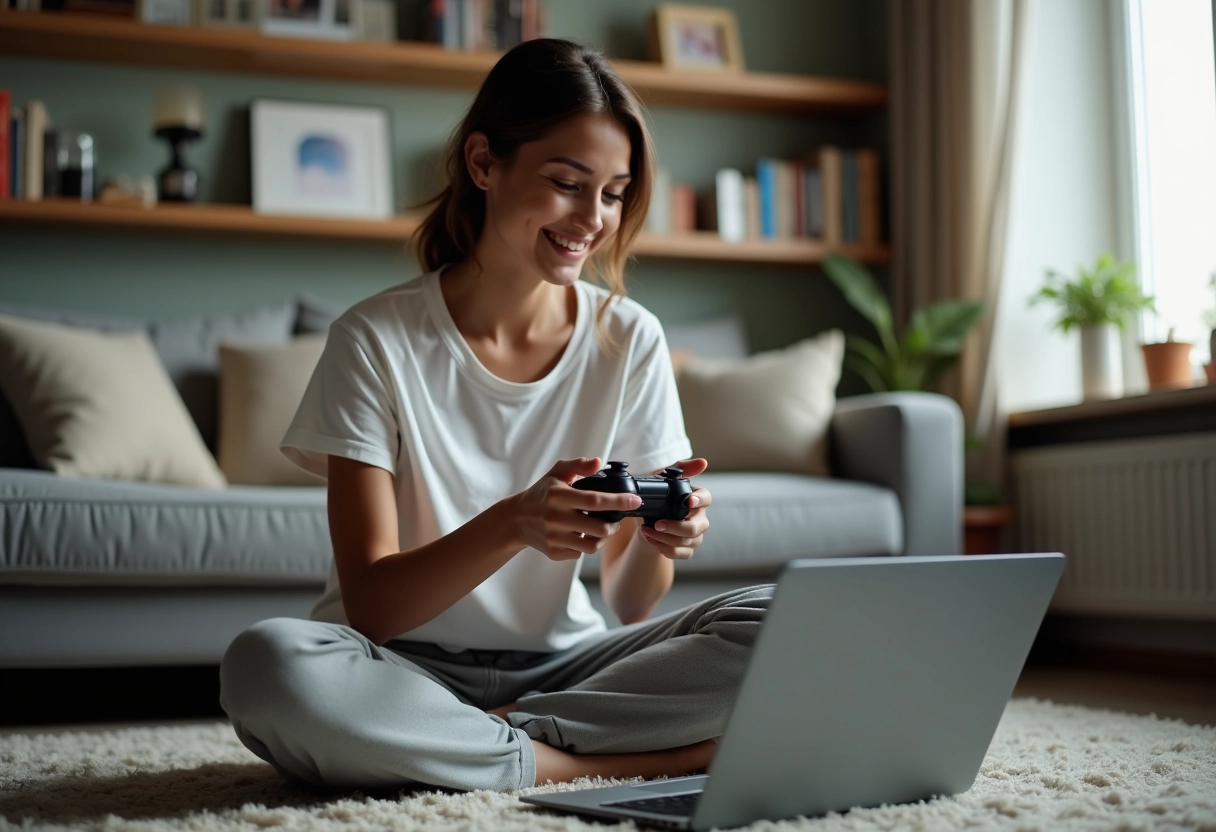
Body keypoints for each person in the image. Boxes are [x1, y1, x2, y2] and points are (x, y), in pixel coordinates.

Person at [219, 37, 773, 793]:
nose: (593, 218)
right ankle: (605, 760)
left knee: (783, 621)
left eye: (612, 193)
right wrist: (514, 523)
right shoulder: (374, 340)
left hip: (565, 669)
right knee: (267, 664)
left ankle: (495, 743)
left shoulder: (629, 337)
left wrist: (660, 537)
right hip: (398, 668)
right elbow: (373, 609)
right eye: (567, 183)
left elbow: (632, 601)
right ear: (484, 164)